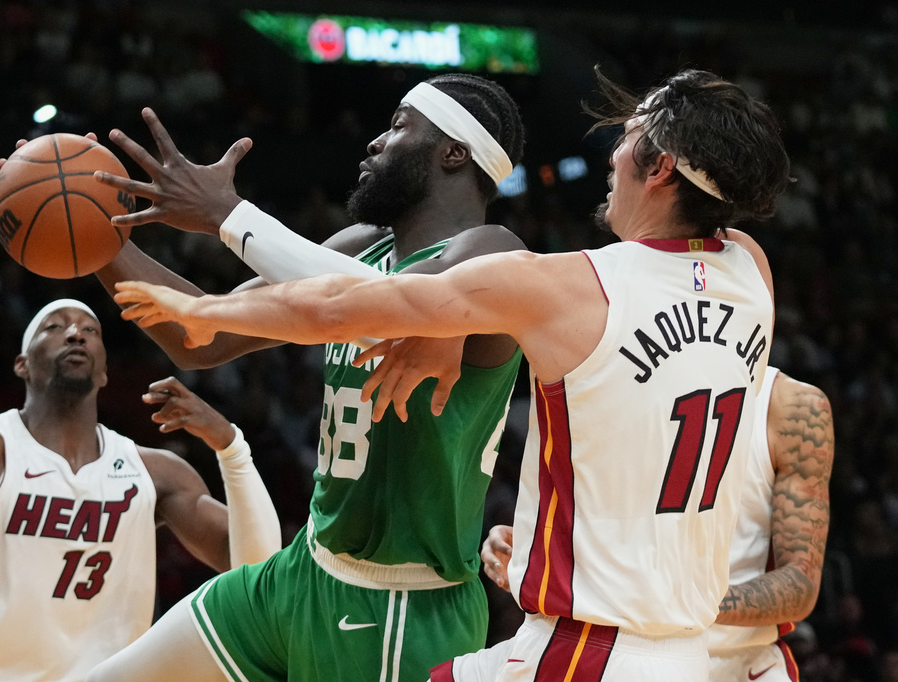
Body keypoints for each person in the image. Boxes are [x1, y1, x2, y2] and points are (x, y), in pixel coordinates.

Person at [111, 67, 792, 681]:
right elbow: (277, 318)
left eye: (627, 140)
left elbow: (358, 303)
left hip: (483, 619)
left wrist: (227, 231)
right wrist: (97, 241)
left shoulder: (552, 278)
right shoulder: (747, 270)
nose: (611, 155)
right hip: (318, 567)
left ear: (661, 168)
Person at [82, 74, 527, 682]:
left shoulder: (494, 252)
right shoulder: (360, 247)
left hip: (397, 605)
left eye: (399, 126)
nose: (374, 142)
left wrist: (228, 215)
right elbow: (197, 335)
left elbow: (390, 306)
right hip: (301, 569)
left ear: (453, 153)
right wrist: (89, 229)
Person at [0, 299, 280, 682]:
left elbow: (257, 572)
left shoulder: (156, 473)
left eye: (90, 330)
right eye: (54, 327)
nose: (75, 334)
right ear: (22, 364)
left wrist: (231, 447)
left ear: (104, 372)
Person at [479, 366, 834, 681]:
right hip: (616, 654)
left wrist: (677, 602)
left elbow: (800, 584)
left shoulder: (791, 406)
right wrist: (533, 549)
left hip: (737, 661)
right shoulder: (615, 378)